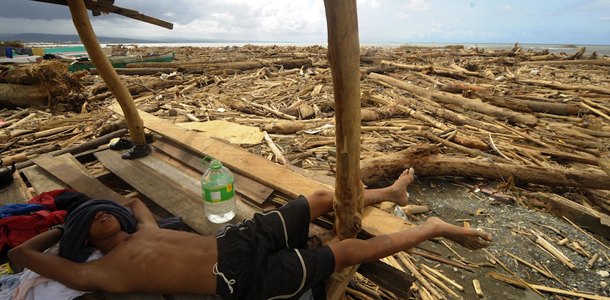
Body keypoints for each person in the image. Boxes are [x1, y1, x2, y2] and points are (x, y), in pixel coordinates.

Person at [8, 168, 492, 299]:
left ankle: (388, 192)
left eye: (100, 212)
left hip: (236, 240)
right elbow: (21, 253)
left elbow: (132, 203)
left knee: (320, 198)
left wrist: (87, 205)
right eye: (90, 223)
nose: (98, 217)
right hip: (239, 278)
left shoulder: (141, 231)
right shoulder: (100, 273)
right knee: (345, 251)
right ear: (83, 244)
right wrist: (61, 228)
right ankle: (432, 229)